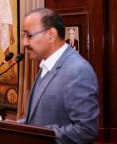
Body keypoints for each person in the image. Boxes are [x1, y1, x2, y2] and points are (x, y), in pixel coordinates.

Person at [20, 8, 99, 143]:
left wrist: (39, 135)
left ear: (51, 35)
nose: (25, 43)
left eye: (29, 35)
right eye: (23, 35)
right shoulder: (47, 64)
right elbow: (37, 119)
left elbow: (86, 130)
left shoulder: (77, 70)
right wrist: (6, 126)